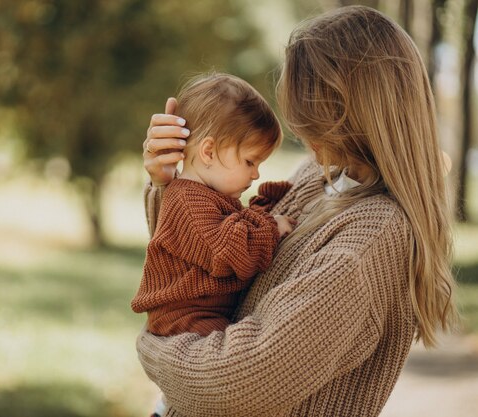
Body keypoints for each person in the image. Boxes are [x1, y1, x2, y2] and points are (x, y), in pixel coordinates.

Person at [136, 6, 458, 417]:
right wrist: (174, 183)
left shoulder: (369, 239)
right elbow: (204, 258)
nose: (303, 136)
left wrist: (154, 347)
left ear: (351, 114)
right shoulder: (319, 176)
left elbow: (235, 384)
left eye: (311, 120)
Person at [131, 73, 294, 338]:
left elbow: (234, 227)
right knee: (237, 352)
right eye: (250, 162)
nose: (256, 175)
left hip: (202, 311)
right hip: (184, 319)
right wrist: (271, 228)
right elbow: (229, 252)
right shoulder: (187, 201)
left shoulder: (205, 195)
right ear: (208, 152)